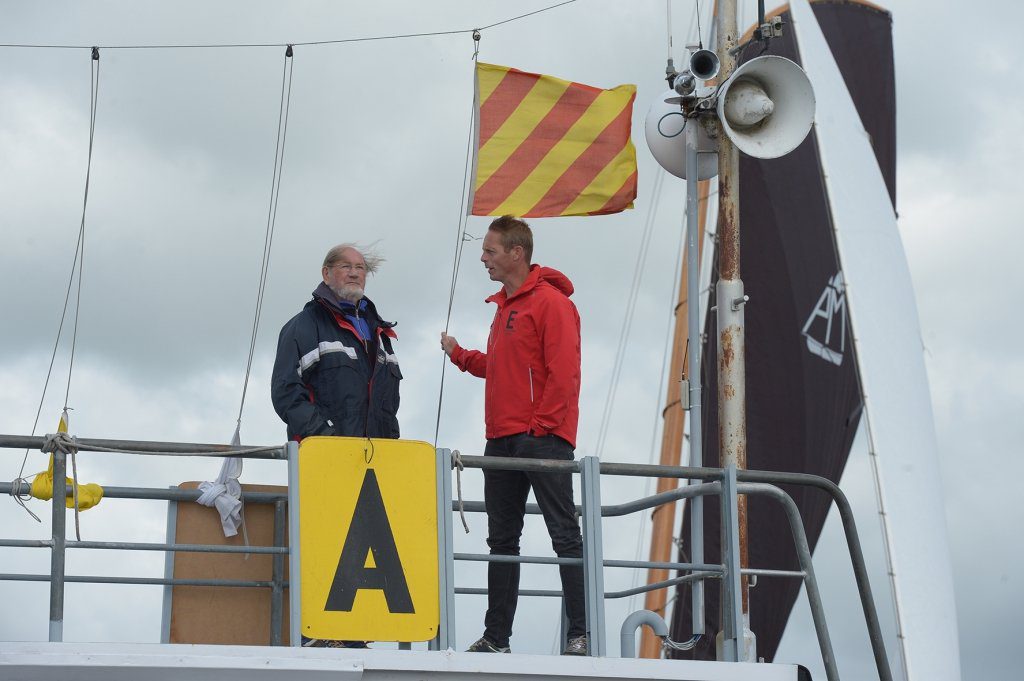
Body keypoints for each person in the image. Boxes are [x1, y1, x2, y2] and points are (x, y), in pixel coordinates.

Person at [440, 215, 588, 656]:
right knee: (502, 540)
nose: (483, 258)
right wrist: (461, 356)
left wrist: (542, 426)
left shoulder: (551, 303)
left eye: (490, 251)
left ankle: (581, 632)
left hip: (541, 437)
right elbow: (504, 368)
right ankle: (496, 638)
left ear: (515, 253)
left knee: (564, 533)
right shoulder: (504, 305)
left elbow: (565, 372)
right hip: (501, 439)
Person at [272, 242, 401, 649]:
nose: (354, 273)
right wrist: (325, 438)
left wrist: (391, 451)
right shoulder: (302, 327)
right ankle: (319, 633)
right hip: (324, 458)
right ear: (326, 273)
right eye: (345, 266)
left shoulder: (380, 334)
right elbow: (285, 392)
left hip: (374, 461)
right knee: (324, 540)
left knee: (367, 547)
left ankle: (355, 634)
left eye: (361, 268)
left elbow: (387, 403)